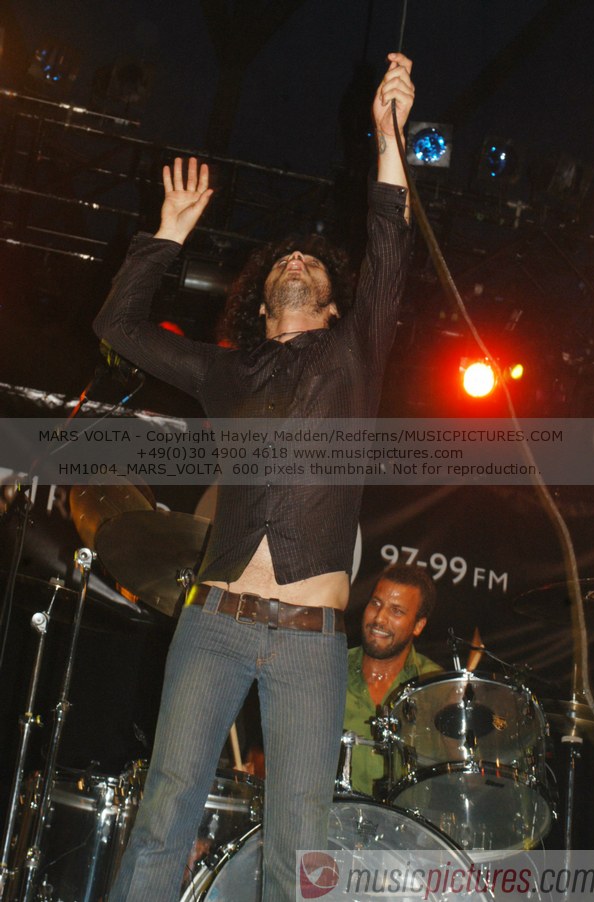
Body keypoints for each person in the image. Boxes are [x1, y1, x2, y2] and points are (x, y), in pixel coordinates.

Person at [94, 52, 415, 902]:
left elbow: (389, 242)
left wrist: (389, 137)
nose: (297, 260)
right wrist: (167, 234)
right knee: (162, 818)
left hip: (310, 642)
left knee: (300, 852)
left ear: (336, 304)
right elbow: (119, 326)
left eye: (312, 262)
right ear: (262, 302)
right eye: (283, 263)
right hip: (214, 623)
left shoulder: (354, 355)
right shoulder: (224, 370)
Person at [343, 563, 441, 797]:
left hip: (406, 819)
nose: (379, 618)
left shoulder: (436, 687)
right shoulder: (331, 669)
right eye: (376, 604)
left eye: (396, 611)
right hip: (332, 816)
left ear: (418, 625)